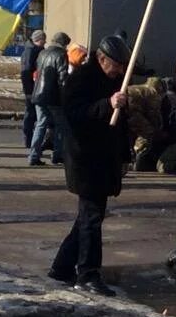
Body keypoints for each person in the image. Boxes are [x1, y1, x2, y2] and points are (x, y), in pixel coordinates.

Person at [48, 35, 132, 297]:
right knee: (91, 219)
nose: (119, 69)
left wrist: (126, 155)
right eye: (116, 64)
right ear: (102, 58)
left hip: (106, 158)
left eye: (122, 65)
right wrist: (107, 104)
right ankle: (88, 274)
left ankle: (62, 267)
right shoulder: (81, 79)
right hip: (85, 159)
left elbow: (122, 124)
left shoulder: (117, 80)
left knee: (87, 218)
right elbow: (75, 116)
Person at [29, 31, 71, 166]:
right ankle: (57, 154)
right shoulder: (61, 54)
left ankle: (33, 155)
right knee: (60, 125)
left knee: (40, 124)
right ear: (63, 44)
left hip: (38, 94)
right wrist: (66, 93)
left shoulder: (42, 53)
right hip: (53, 96)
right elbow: (62, 77)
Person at [20, 30, 47, 148]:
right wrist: (29, 91)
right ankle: (29, 139)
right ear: (39, 40)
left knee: (33, 114)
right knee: (31, 114)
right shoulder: (31, 51)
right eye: (43, 39)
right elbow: (26, 73)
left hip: (34, 88)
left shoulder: (35, 50)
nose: (45, 42)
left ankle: (30, 138)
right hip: (32, 89)